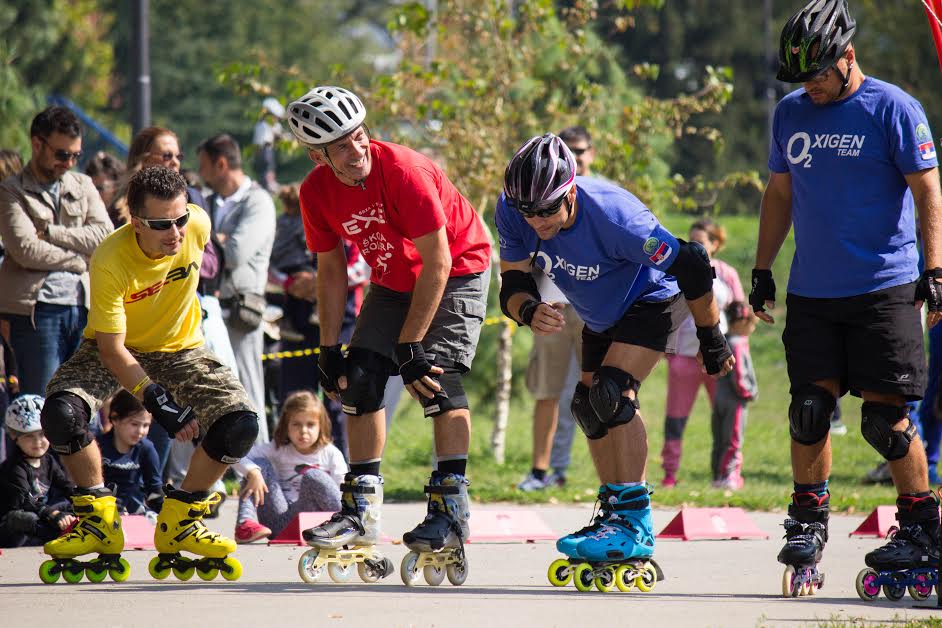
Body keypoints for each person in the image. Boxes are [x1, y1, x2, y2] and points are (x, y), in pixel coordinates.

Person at [753, 0, 942, 596]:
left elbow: (928, 189)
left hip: (884, 288)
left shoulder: (893, 108)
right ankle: (808, 523)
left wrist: (935, 270)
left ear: (847, 57)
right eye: (801, 78)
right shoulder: (790, 113)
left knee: (886, 421)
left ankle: (921, 528)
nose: (809, 87)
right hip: (812, 290)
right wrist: (762, 269)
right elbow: (779, 194)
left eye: (817, 75)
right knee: (809, 411)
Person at [497, 132, 733, 577]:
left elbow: (695, 263)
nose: (537, 222)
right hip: (600, 313)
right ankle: (612, 518)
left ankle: (636, 522)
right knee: (587, 407)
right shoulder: (514, 207)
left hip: (654, 299)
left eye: (548, 210)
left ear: (569, 191)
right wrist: (527, 309)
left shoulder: (616, 218)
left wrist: (711, 337)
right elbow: (512, 284)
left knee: (612, 394)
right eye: (528, 212)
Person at [285, 85, 490, 580]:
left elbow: (438, 262)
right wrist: (328, 346)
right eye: (340, 146)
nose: (355, 151)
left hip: (458, 268)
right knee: (358, 379)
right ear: (318, 155)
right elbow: (330, 270)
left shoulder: (404, 170)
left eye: (358, 137)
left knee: (436, 380)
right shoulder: (315, 191)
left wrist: (412, 346)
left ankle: (450, 510)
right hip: (394, 279)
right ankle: (360, 511)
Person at [38, 166, 259, 580]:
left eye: (180, 219)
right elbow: (111, 348)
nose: (175, 232)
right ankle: (98, 520)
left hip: (182, 348)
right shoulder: (110, 258)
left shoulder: (198, 224)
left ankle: (180, 519)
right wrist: (156, 399)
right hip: (117, 346)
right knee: (61, 414)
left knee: (240, 425)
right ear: (135, 222)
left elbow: (193, 234)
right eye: (161, 225)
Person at [0, 106, 113, 396]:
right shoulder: (11, 191)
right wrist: (78, 259)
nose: (69, 162)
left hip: (85, 307)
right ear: (37, 144)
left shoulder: (84, 184)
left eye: (76, 155)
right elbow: (25, 249)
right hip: (37, 312)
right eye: (62, 154)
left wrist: (52, 232)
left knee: (81, 405)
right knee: (44, 404)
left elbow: (104, 237)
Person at [517, 126, 600, 492]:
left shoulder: (599, 196)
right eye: (571, 151)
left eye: (581, 151)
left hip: (592, 310)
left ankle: (611, 479)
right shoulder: (534, 193)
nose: (577, 157)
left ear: (591, 154)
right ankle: (539, 472)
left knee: (600, 392)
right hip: (549, 306)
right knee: (547, 392)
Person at [268, 183, 365, 457]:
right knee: (295, 399)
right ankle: (289, 468)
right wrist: (291, 283)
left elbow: (365, 267)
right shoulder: (284, 227)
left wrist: (321, 281)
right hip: (296, 327)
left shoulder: (353, 224)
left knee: (341, 399)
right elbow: (267, 264)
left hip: (343, 324)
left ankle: (343, 466)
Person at [198, 133, 276, 443]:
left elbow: (235, 254)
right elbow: (224, 247)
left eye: (204, 166)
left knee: (248, 389)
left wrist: (207, 241)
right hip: (209, 309)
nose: (201, 173)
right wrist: (221, 239)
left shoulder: (257, 201)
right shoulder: (210, 202)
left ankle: (261, 465)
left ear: (221, 164)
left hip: (241, 311)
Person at [660, 219, 741, 488]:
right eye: (691, 239)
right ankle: (670, 473)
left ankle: (727, 472)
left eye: (701, 241)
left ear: (715, 244)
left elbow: (741, 314)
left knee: (726, 416)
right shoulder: (679, 271)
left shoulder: (727, 273)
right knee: (675, 418)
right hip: (684, 356)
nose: (695, 245)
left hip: (718, 359)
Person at [233, 390, 347, 543]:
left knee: (313, 475)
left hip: (319, 525)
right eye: (296, 424)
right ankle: (244, 524)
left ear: (322, 426)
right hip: (279, 521)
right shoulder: (279, 449)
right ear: (286, 426)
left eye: (311, 424)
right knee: (258, 465)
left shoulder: (331, 453)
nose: (303, 431)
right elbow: (236, 456)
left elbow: (343, 489)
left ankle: (345, 526)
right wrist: (252, 472)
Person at [0, 395, 75, 548]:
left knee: (69, 506)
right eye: (29, 436)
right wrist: (53, 515)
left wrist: (87, 500)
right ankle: (59, 537)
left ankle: (69, 531)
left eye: (42, 434)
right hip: (10, 524)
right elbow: (25, 501)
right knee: (23, 517)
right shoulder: (14, 467)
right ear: (14, 436)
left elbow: (66, 486)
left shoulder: (48, 460)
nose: (38, 442)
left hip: (40, 513)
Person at [711, 301, 758, 490]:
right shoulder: (738, 344)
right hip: (735, 401)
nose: (753, 329)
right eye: (752, 324)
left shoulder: (723, 340)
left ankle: (717, 475)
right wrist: (749, 392)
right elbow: (739, 375)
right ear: (742, 322)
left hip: (719, 398)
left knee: (720, 438)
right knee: (734, 438)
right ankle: (730, 476)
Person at [96, 390, 163, 517]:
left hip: (134, 512)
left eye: (146, 425)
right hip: (101, 510)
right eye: (134, 424)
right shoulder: (98, 446)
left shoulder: (146, 449)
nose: (140, 431)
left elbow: (154, 489)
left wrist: (167, 511)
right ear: (115, 418)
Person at [253, 97, 286, 193]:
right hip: (265, 150)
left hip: (265, 150)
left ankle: (268, 184)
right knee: (267, 168)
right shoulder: (264, 124)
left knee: (269, 168)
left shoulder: (262, 124)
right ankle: (268, 186)